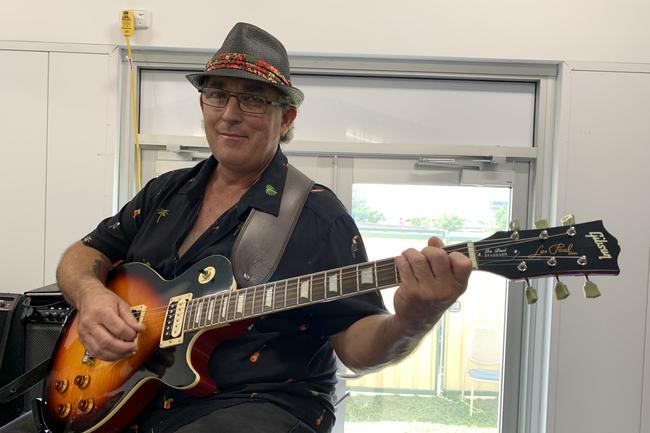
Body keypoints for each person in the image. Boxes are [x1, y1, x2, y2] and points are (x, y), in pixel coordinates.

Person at [7, 22, 472, 433]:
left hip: (257, 406)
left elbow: (356, 345)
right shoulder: (165, 192)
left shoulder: (317, 216)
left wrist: (415, 317)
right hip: (128, 399)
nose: (229, 113)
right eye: (217, 94)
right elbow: (83, 255)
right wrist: (92, 298)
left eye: (252, 99)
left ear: (286, 118)